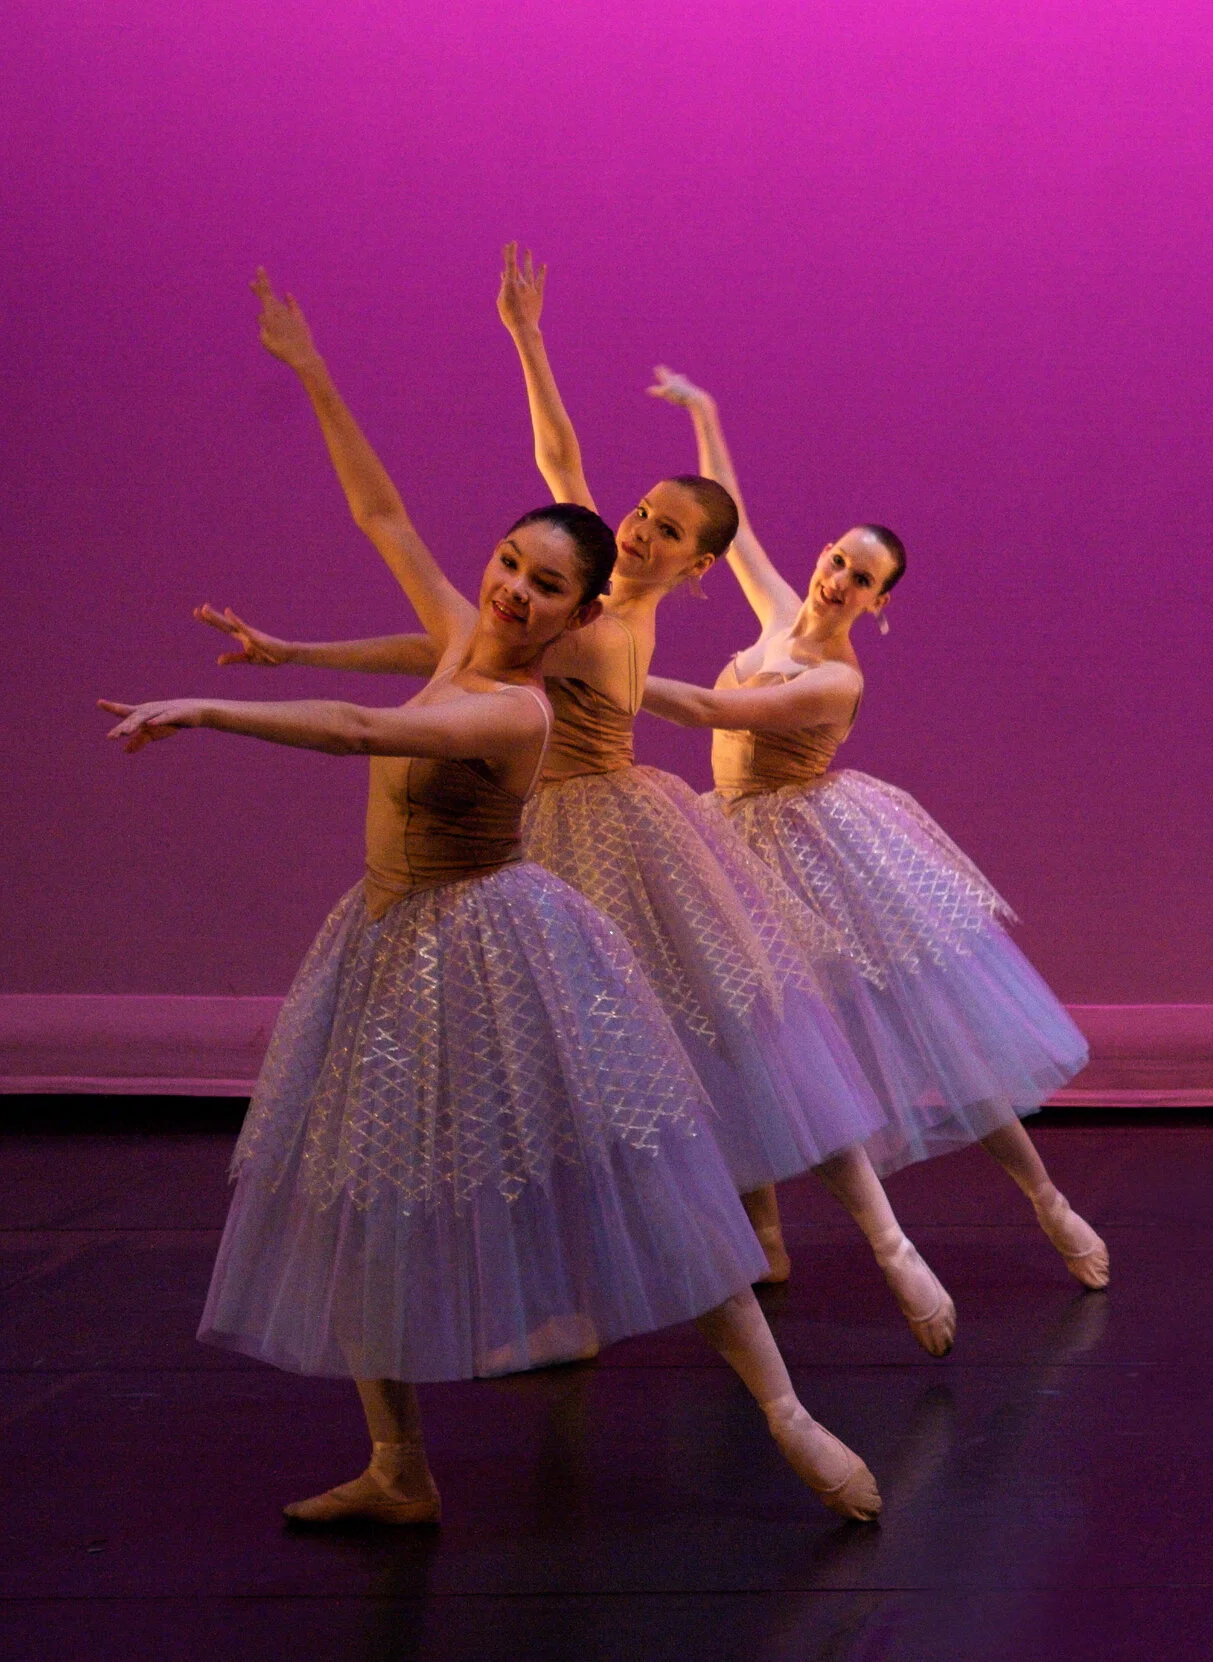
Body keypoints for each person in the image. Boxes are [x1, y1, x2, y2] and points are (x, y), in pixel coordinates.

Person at [105, 283, 879, 1521]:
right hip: (385, 938)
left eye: (544, 585)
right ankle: (398, 1467)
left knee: (639, 1172)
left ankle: (787, 1412)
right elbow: (381, 514)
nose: (515, 590)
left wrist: (208, 709)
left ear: (580, 615)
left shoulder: (518, 706)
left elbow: (361, 730)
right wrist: (311, 371)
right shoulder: (465, 634)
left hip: (496, 942)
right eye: (510, 564)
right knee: (361, 1189)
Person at [203, 253, 959, 1355]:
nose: (641, 530)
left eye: (667, 532)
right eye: (641, 513)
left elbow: (458, 641)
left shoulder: (610, 625)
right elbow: (522, 519)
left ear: (698, 568)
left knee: (744, 1038)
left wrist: (301, 657)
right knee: (569, 1082)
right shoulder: (581, 589)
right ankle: (601, 1294)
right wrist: (527, 337)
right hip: (538, 832)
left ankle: (887, 1245)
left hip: (617, 834)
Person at [632, 367, 1105, 1287]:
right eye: (839, 561)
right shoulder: (777, 610)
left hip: (811, 857)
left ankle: (1048, 1199)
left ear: (878, 604)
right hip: (729, 843)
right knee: (741, 1040)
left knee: (933, 1041)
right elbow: (733, 521)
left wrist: (605, 679)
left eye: (862, 579)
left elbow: (718, 713)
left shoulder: (838, 678)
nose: (840, 579)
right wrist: (707, 413)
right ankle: (765, 1238)